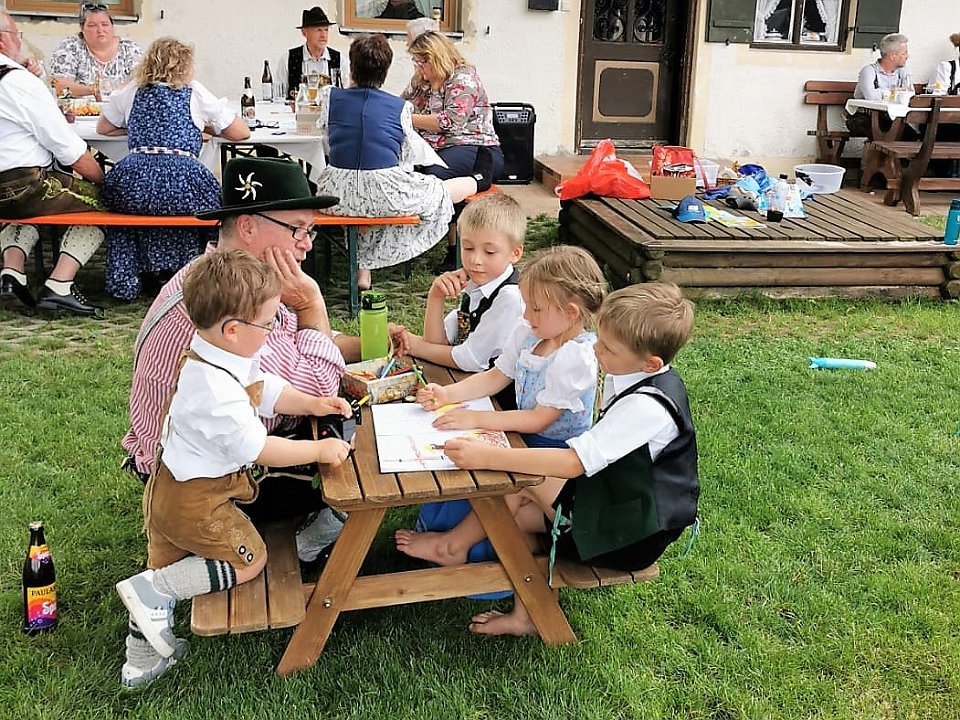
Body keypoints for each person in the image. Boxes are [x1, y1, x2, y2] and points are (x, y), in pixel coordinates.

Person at [122, 157, 409, 562]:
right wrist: (311, 303)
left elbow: (297, 348)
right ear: (248, 226)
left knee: (351, 413)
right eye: (298, 229)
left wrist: (368, 345)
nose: (307, 243)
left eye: (309, 230)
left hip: (193, 457)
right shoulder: (234, 310)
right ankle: (309, 541)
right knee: (361, 440)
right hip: (198, 483)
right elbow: (320, 381)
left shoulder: (224, 280)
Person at [403, 282, 700, 637]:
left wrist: (491, 455)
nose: (597, 349)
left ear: (651, 362)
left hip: (629, 537)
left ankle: (453, 546)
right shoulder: (636, 373)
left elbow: (573, 463)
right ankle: (524, 613)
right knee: (514, 517)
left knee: (523, 482)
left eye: (608, 348)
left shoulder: (646, 407)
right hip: (619, 507)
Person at [114, 248, 353, 688]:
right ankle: (156, 592)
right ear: (233, 329)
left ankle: (141, 661)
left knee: (164, 565)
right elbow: (259, 448)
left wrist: (313, 403)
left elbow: (266, 389)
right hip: (199, 502)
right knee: (249, 560)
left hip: (169, 489)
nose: (272, 329)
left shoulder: (216, 355)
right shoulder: (215, 393)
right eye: (269, 323)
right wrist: (321, 450)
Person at [396, 245, 607, 565]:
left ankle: (454, 546)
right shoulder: (530, 333)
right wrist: (448, 395)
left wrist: (477, 419)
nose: (526, 315)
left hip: (554, 456)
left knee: (506, 485)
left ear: (570, 312)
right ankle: (457, 538)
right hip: (521, 439)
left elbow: (538, 420)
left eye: (536, 309)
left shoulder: (577, 357)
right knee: (466, 466)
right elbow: (497, 375)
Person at [314, 33, 477, 291]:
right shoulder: (400, 107)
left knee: (362, 201)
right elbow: (405, 157)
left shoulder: (329, 97)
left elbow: (325, 140)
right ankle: (477, 182)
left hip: (336, 193)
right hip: (382, 192)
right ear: (386, 71)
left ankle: (363, 269)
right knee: (442, 189)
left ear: (352, 66)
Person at [97, 37, 250, 301]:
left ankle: (131, 276)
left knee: (126, 206)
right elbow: (240, 132)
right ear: (184, 65)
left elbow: (104, 128)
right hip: (182, 181)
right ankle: (195, 273)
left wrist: (138, 131)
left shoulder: (133, 90)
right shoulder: (195, 92)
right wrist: (201, 127)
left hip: (136, 181)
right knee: (212, 206)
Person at [0, 11, 105, 316]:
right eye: (18, 35)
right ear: (3, 41)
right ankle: (59, 285)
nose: (21, 42)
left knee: (24, 210)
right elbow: (70, 152)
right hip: (24, 186)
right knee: (108, 203)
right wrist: (104, 179)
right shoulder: (17, 82)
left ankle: (12, 275)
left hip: (10, 194)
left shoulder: (20, 79)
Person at [406, 193, 525, 411]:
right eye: (468, 248)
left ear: (515, 253)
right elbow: (437, 344)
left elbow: (469, 359)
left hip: (502, 408)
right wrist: (436, 296)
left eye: (489, 252)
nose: (475, 260)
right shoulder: (476, 285)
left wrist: (414, 345)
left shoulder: (510, 297)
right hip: (473, 391)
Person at [403, 31, 504, 273]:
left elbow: (450, 121)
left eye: (422, 62)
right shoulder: (423, 80)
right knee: (406, 173)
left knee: (436, 176)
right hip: (436, 146)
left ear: (436, 58)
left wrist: (407, 119)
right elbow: (403, 104)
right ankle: (415, 239)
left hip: (474, 146)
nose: (419, 68)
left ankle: (454, 248)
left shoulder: (463, 78)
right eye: (416, 62)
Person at [49, 3, 142, 98]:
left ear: (112, 26)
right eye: (92, 25)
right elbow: (58, 85)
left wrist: (118, 90)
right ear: (82, 28)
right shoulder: (70, 47)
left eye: (105, 24)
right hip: (82, 106)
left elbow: (142, 81)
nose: (100, 30)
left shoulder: (129, 49)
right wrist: (93, 90)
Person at [846, 33, 912, 137]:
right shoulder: (869, 71)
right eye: (904, 53)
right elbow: (871, 96)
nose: (908, 56)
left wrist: (885, 93)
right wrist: (896, 93)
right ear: (892, 56)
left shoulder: (902, 72)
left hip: (891, 118)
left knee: (912, 136)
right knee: (889, 134)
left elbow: (910, 95)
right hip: (863, 118)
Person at [278, 6, 350, 100]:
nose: (323, 35)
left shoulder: (340, 60)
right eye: (318, 30)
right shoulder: (288, 59)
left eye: (326, 30)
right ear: (304, 33)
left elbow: (348, 94)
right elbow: (280, 96)